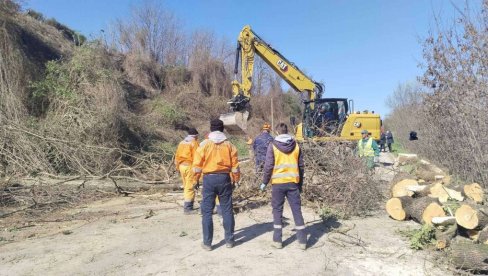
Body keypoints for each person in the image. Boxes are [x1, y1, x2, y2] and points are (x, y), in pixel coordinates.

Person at [193, 119, 240, 251]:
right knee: (226, 210)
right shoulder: (229, 145)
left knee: (207, 212)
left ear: (211, 129)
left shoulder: (204, 144)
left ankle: (207, 243)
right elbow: (235, 166)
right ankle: (230, 241)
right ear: (223, 129)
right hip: (225, 179)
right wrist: (236, 180)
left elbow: (197, 166)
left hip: (209, 179)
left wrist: (195, 180)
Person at [260, 123, 307, 250]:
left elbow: (269, 166)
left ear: (276, 132)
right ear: (287, 132)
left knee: (277, 211)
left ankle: (277, 241)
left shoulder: (273, 146)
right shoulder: (296, 145)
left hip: (278, 184)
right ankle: (302, 241)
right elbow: (301, 166)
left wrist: (264, 181)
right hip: (293, 183)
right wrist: (300, 184)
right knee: (296, 210)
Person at [175, 128, 199, 214]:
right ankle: (188, 208)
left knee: (186, 186)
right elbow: (197, 158)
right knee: (190, 186)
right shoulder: (194, 143)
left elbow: (177, 156)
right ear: (195, 136)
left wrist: (178, 168)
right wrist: (197, 174)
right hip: (190, 166)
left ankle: (188, 205)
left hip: (181, 166)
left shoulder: (181, 143)